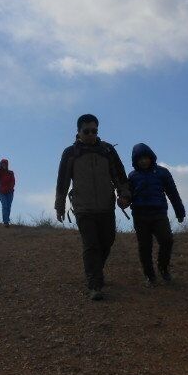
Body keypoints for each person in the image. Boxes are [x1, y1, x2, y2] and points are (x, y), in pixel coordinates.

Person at [55, 114, 131, 301]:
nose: (91, 134)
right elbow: (63, 181)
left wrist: (125, 195)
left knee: (108, 241)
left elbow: (119, 175)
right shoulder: (70, 153)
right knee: (91, 245)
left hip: (106, 206)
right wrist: (59, 205)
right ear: (78, 132)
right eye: (86, 131)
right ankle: (94, 284)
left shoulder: (107, 150)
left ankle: (96, 270)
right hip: (83, 208)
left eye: (94, 131)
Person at [128, 143, 185, 286]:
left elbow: (173, 193)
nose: (143, 161)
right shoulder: (133, 176)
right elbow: (127, 195)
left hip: (159, 213)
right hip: (140, 215)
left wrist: (179, 211)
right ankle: (150, 276)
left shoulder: (162, 173)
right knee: (144, 246)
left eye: (145, 158)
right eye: (140, 159)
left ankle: (163, 268)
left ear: (151, 157)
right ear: (135, 161)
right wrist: (122, 200)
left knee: (167, 240)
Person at [0, 159, 16, 227]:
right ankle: (5, 222)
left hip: (10, 192)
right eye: (2, 164)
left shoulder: (10, 173)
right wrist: (0, 168)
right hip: (2, 192)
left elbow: (13, 181)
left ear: (7, 164)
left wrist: (10, 188)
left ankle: (6, 220)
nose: (4, 165)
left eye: (5, 164)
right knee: (5, 206)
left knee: (8, 206)